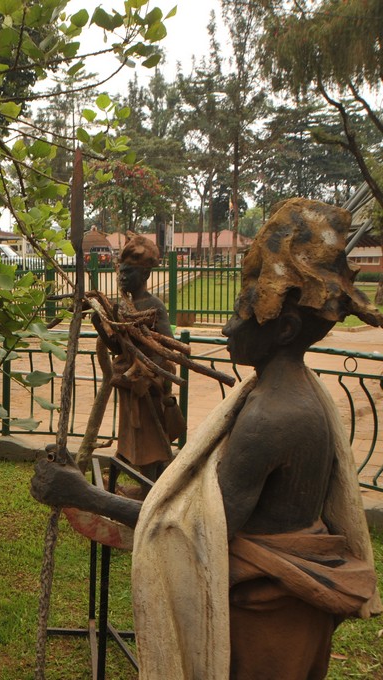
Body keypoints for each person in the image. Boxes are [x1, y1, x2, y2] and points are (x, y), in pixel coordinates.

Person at [32, 198, 381, 679]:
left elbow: (197, 530)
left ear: (285, 329)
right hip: (279, 610)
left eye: (242, 313)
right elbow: (204, 505)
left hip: (268, 624)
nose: (228, 327)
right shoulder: (289, 392)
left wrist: (82, 495)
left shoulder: (271, 417)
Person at [97, 232, 184, 481]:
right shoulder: (123, 306)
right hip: (130, 384)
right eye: (120, 272)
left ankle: (151, 489)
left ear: (145, 275)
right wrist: (100, 325)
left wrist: (148, 374)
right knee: (130, 439)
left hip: (149, 386)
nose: (122, 277)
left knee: (151, 444)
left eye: (128, 273)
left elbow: (167, 348)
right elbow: (119, 346)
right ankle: (127, 484)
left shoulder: (154, 306)